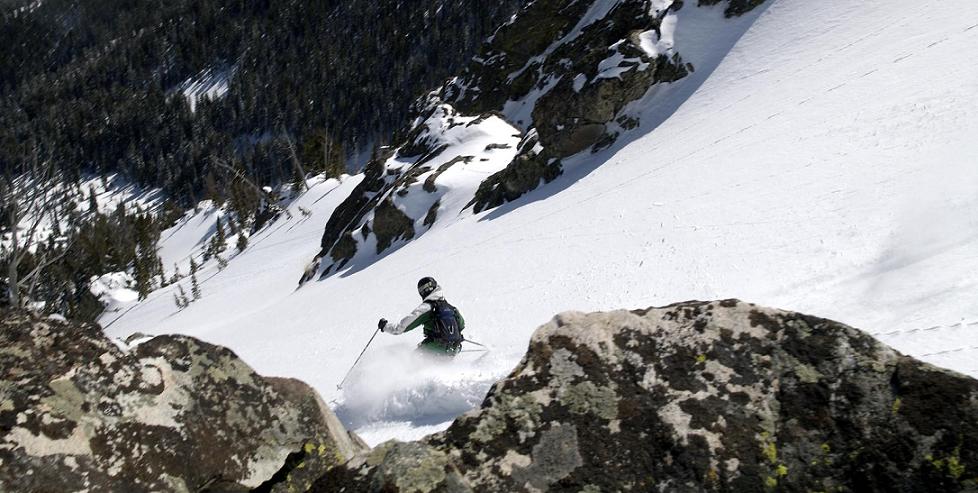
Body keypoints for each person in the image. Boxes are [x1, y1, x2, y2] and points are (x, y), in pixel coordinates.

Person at [378, 277, 465, 355]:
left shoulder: (426, 308)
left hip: (435, 348)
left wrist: (385, 326)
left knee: (413, 360)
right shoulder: (450, 307)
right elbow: (462, 324)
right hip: (454, 348)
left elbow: (400, 328)